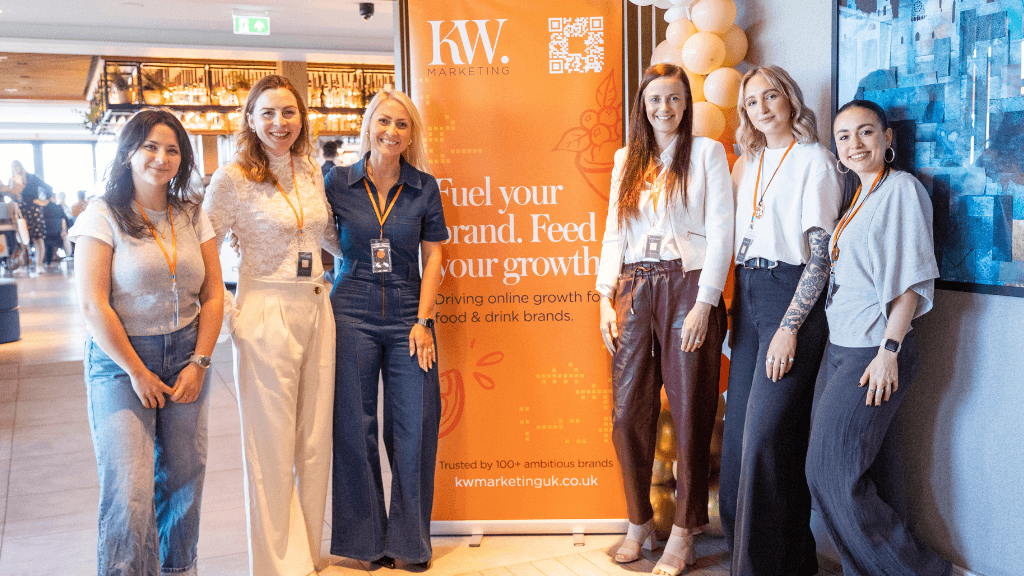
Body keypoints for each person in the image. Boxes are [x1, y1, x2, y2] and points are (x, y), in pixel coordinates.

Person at [69, 109, 224, 575]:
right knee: (130, 489)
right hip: (121, 363)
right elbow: (95, 305)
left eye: (173, 149)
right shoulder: (103, 215)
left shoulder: (192, 213)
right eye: (150, 147)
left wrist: (199, 362)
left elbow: (214, 295)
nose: (162, 157)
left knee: (183, 480)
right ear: (128, 154)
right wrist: (137, 371)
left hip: (185, 355)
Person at [595, 63, 733, 576]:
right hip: (633, 285)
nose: (664, 109)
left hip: (687, 285)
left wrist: (706, 301)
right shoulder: (626, 159)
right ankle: (639, 521)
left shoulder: (706, 153)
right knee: (627, 410)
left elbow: (722, 230)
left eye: (674, 99)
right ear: (643, 105)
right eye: (655, 100)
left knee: (693, 406)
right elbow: (613, 232)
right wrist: (604, 296)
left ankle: (683, 532)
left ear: (686, 104)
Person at [805, 100, 950, 576]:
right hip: (840, 348)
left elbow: (909, 281)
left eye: (866, 132)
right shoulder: (858, 197)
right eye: (843, 136)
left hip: (874, 349)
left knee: (829, 472)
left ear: (889, 139)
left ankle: (923, 572)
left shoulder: (901, 189)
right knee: (867, 476)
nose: (854, 144)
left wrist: (889, 350)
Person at [204, 74, 340, 576]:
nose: (279, 123)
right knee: (270, 442)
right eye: (267, 113)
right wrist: (230, 314)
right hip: (265, 310)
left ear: (301, 119)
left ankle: (308, 552)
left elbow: (322, 236)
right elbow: (205, 251)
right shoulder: (232, 177)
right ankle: (279, 563)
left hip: (316, 307)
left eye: (288, 112)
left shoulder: (308, 169)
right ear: (251, 119)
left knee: (313, 439)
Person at [718, 66, 843, 576]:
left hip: (792, 302)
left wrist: (789, 326)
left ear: (791, 99)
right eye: (751, 102)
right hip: (748, 301)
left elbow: (821, 258)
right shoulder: (746, 163)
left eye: (771, 96)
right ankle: (792, 563)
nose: (762, 108)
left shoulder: (816, 162)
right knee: (735, 455)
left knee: (765, 442)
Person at [325, 88, 447, 569]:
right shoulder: (336, 181)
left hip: (406, 315)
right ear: (368, 124)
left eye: (402, 124)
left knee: (415, 427)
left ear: (411, 134)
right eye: (384, 121)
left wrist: (423, 320)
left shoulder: (424, 187)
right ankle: (365, 545)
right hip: (349, 310)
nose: (391, 132)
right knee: (354, 428)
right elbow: (316, 230)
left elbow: (435, 256)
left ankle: (410, 546)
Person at [11, 161, 49, 270]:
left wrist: (44, 201)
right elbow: (13, 197)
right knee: (23, 239)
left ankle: (39, 264)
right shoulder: (13, 180)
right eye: (14, 167)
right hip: (21, 212)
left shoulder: (33, 178)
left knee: (38, 238)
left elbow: (48, 188)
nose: (16, 168)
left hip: (34, 211)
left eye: (17, 166)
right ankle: (24, 265)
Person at [41, 189, 70, 267]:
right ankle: (54, 257)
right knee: (55, 240)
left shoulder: (42, 207)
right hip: (56, 234)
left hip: (44, 233)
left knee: (46, 243)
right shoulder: (58, 207)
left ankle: (47, 261)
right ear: (53, 197)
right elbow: (66, 220)